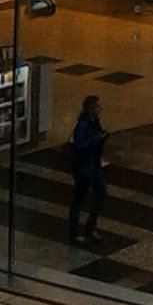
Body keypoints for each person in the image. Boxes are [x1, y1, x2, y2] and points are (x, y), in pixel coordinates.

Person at [66, 94, 107, 245]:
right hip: (83, 168)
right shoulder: (82, 125)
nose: (99, 109)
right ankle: (73, 232)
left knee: (101, 194)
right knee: (79, 198)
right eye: (97, 106)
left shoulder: (95, 122)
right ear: (90, 108)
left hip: (94, 164)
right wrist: (96, 140)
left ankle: (90, 226)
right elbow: (81, 146)